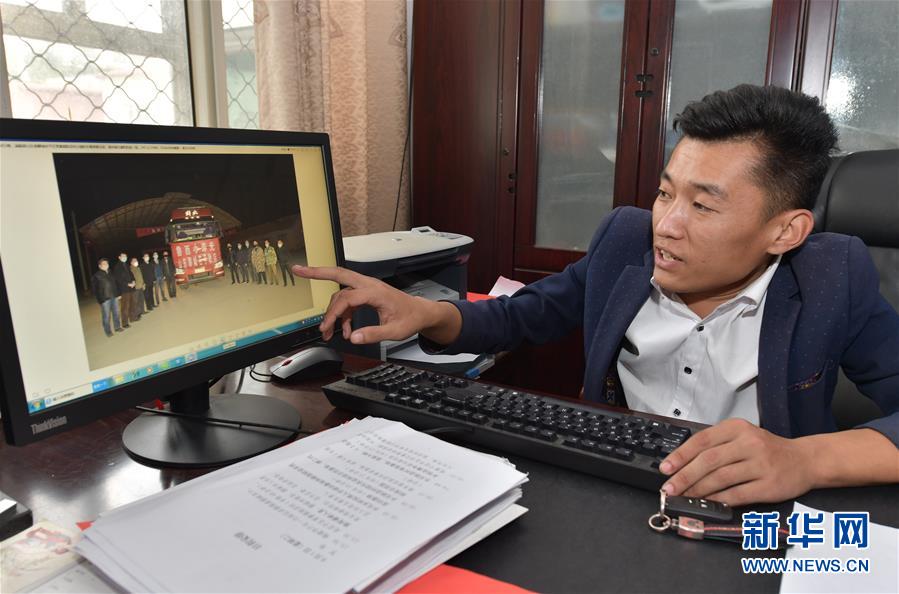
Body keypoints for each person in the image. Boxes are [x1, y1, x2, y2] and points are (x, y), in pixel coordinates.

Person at [293, 84, 899, 506]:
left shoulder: (831, 277)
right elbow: (522, 317)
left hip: (754, 513)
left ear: (785, 231)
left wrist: (803, 460)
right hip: (613, 486)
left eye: (703, 206)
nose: (667, 225)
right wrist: (426, 312)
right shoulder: (624, 242)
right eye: (666, 193)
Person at [90, 258, 122, 337]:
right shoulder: (97, 275)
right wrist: (101, 300)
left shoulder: (111, 273)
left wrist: (118, 294)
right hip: (105, 299)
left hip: (114, 296)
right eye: (104, 264)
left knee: (116, 313)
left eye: (107, 263)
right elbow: (94, 289)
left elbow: (116, 284)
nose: (106, 265)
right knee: (106, 316)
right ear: (100, 266)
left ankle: (117, 327)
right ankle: (108, 331)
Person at [111, 252, 135, 328]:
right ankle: (125, 323)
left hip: (131, 288)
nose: (125, 257)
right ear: (119, 257)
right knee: (125, 306)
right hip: (124, 290)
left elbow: (131, 274)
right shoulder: (117, 267)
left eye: (125, 256)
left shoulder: (126, 265)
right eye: (123, 256)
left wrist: (133, 281)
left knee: (131, 304)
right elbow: (118, 279)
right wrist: (127, 284)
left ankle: (132, 318)